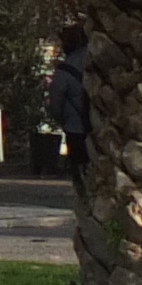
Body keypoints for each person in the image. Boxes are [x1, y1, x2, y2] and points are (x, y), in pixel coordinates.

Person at [47, 24, 92, 179]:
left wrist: (61, 120)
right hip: (99, 128)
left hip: (75, 127)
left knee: (79, 167)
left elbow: (55, 102)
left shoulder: (65, 71)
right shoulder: (95, 60)